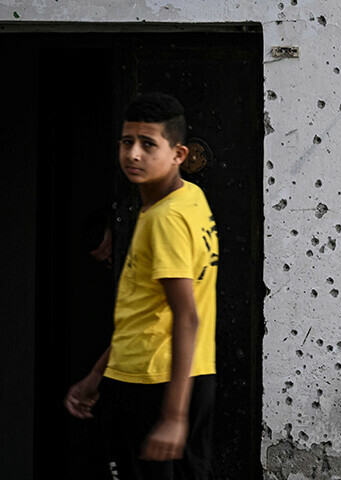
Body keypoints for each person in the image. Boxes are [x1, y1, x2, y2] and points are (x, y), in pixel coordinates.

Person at [65, 92, 219, 479]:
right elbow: (146, 314)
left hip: (152, 383)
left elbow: (186, 316)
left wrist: (172, 416)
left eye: (148, 144)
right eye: (127, 142)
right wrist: (97, 375)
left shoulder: (164, 220)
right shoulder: (192, 199)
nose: (133, 154)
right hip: (183, 375)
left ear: (179, 154)